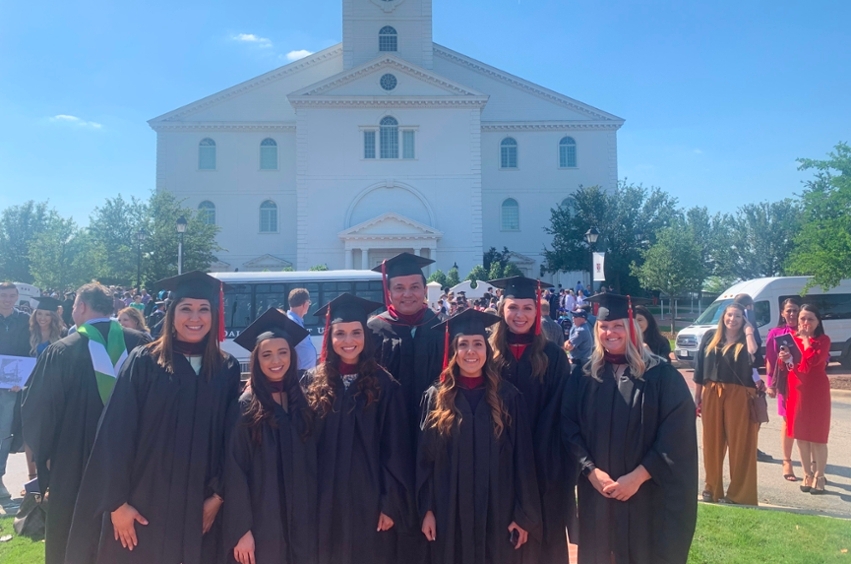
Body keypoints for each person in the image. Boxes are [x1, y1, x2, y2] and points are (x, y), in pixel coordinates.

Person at [65, 271, 241, 564]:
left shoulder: (226, 368)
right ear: (172, 314)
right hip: (143, 503)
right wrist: (117, 504)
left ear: (214, 315)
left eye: (203, 309)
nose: (194, 317)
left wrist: (218, 497)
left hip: (201, 504)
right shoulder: (145, 362)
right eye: (186, 308)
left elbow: (231, 439)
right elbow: (114, 433)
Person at [561, 293, 698, 563]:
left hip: (645, 497)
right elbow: (568, 427)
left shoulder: (661, 376)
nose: (610, 332)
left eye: (618, 325)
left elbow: (676, 436)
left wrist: (638, 476)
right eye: (604, 326)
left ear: (631, 327)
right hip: (598, 494)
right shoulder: (584, 376)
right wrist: (590, 471)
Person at [21, 284, 150, 564]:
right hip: (136, 462)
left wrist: (44, 460)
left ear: (80, 307)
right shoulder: (143, 344)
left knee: (75, 538)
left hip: (75, 465)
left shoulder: (62, 351)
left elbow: (38, 413)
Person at [418, 309, 542, 563]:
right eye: (463, 345)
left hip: (499, 509)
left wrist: (522, 514)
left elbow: (524, 461)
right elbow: (424, 461)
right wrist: (426, 509)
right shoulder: (436, 398)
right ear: (453, 351)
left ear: (488, 350)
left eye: (477, 344)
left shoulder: (508, 397)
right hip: (448, 509)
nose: (471, 351)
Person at [304, 293, 413, 564]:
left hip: (369, 498)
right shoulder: (314, 383)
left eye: (356, 332)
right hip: (323, 496)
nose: (348, 341)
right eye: (340, 333)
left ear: (366, 335)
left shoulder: (384, 385)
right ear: (329, 337)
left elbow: (395, 450)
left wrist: (389, 504)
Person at [488, 275, 575, 562]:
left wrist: (531, 454)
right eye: (513, 307)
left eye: (528, 307)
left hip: (542, 464)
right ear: (502, 310)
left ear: (538, 311)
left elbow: (559, 411)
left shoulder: (552, 356)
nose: (520, 315)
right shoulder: (487, 354)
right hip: (494, 463)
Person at [225, 308, 318, 564]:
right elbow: (234, 471)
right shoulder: (247, 405)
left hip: (303, 520)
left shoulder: (304, 402)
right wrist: (241, 530)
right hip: (263, 522)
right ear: (256, 359)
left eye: (283, 352)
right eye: (267, 354)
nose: (276, 360)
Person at [368, 253, 445, 563]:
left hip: (434, 437)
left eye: (415, 286)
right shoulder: (374, 329)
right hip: (387, 439)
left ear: (425, 290)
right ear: (389, 292)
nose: (408, 294)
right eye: (399, 287)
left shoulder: (442, 327)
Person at [694, 302, 761, 505]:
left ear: (744, 319)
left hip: (739, 394)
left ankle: (739, 495)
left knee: (741, 445)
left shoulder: (748, 338)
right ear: (723, 317)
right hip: (712, 392)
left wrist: (750, 330)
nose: (733, 319)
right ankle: (711, 488)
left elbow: (753, 353)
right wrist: (697, 397)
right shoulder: (709, 337)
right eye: (730, 315)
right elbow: (699, 369)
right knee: (711, 443)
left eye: (738, 316)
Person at [779, 304, 831, 495]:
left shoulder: (823, 340)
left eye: (810, 319)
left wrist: (806, 339)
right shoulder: (791, 339)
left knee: (817, 436)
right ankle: (807, 473)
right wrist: (784, 358)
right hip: (796, 389)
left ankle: (820, 475)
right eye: (802, 318)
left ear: (818, 322)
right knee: (800, 435)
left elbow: (810, 363)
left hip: (817, 392)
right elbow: (790, 367)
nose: (805, 322)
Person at [0, 281, 31, 500]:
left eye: (11, 296)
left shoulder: (25, 321)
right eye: (3, 296)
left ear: (17, 296)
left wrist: (23, 378)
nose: (7, 300)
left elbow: (29, 351)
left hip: (11, 386)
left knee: (3, 435)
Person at [765, 297, 802, 481]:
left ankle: (810, 467)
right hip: (785, 383)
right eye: (789, 310)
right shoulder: (776, 333)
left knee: (805, 423)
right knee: (789, 421)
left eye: (795, 310)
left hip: (804, 383)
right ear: (782, 313)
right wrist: (771, 384)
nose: (792, 314)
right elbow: (770, 359)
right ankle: (787, 461)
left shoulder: (807, 331)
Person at [286, 287, 319, 371]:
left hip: (305, 372)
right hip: (299, 374)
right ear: (305, 304)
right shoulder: (291, 322)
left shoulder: (297, 322)